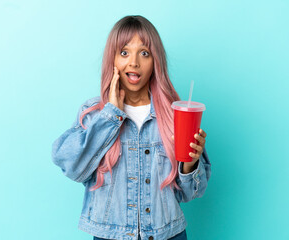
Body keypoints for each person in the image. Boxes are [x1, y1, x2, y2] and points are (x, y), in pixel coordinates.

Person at [52, 15, 211, 240]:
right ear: (113, 59)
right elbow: (72, 167)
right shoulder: (94, 113)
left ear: (155, 62)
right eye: (124, 52)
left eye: (144, 53)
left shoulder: (174, 115)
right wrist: (111, 116)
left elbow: (191, 193)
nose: (134, 62)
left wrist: (191, 163)